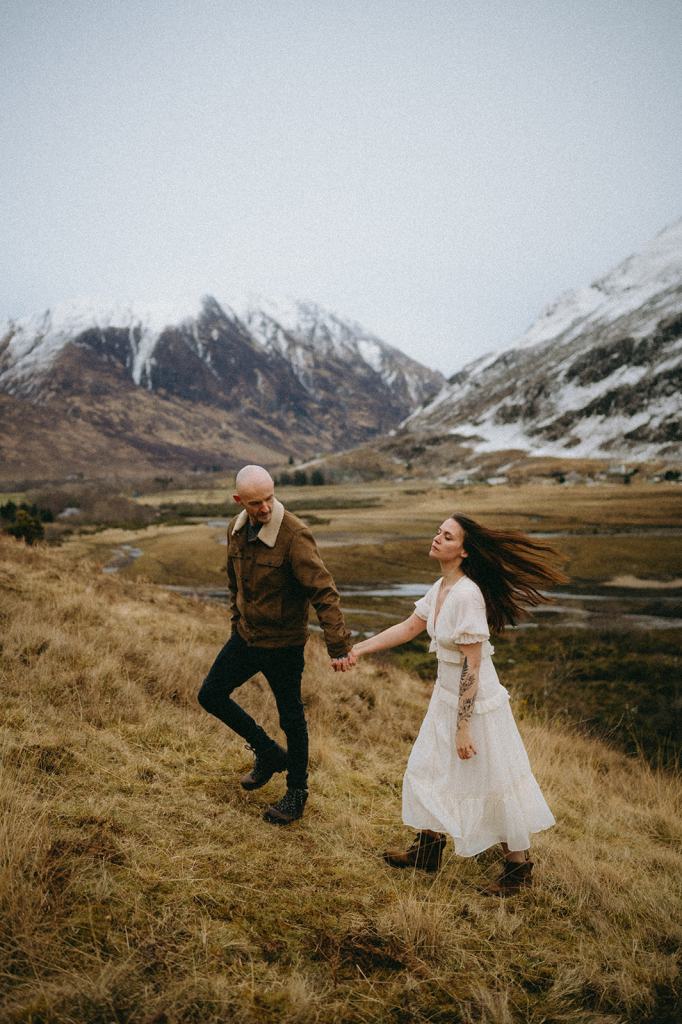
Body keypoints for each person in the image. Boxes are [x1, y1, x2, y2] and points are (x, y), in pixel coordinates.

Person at [342, 513, 567, 895]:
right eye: (438, 532)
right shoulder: (442, 587)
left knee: (491, 780)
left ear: (463, 551)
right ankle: (427, 849)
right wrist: (358, 649)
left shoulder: (466, 595)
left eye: (447, 536)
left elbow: (472, 665)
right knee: (428, 767)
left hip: (475, 703)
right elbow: (409, 627)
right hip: (446, 696)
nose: (437, 538)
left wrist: (463, 727)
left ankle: (518, 868)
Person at [198, 465, 351, 825]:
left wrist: (339, 646)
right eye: (255, 503)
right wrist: (236, 622)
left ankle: (297, 792)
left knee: (291, 717)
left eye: (269, 498)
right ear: (239, 500)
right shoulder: (235, 530)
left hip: (284, 645)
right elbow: (234, 582)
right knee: (210, 695)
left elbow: (324, 591)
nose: (265, 507)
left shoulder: (295, 535)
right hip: (247, 637)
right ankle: (267, 752)